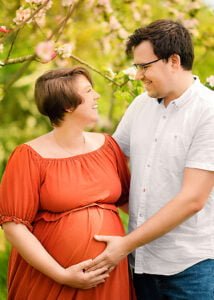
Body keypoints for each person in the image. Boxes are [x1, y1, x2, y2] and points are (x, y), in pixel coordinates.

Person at [89, 19, 214, 299]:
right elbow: (112, 160)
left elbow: (193, 199)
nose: (138, 76)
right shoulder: (140, 105)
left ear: (173, 60)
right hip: (140, 264)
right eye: (137, 67)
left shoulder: (208, 112)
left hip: (191, 269)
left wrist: (123, 245)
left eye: (145, 67)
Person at [0, 66, 136, 300]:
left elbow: (129, 201)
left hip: (108, 277)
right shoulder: (28, 156)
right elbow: (14, 227)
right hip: (50, 279)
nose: (97, 96)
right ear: (67, 105)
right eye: (89, 91)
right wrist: (62, 275)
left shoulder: (108, 146)